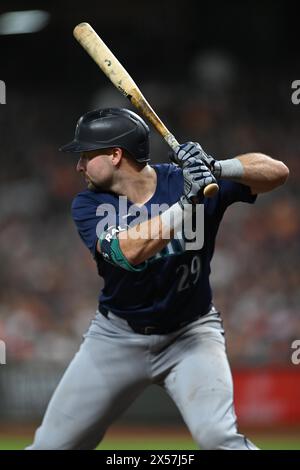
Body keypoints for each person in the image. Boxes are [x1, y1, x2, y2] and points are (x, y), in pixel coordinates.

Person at [27, 107, 289, 450]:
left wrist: (218, 167)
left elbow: (278, 172)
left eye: (85, 155)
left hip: (191, 335)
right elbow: (130, 251)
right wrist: (186, 203)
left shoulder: (188, 180)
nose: (79, 166)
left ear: (115, 155)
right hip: (117, 337)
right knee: (50, 447)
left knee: (218, 438)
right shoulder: (88, 204)